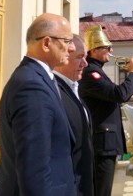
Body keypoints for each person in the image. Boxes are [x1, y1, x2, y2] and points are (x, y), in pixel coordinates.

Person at [0, 13, 77, 196]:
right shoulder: (31, 87)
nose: (71, 48)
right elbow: (34, 171)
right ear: (47, 43)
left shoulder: (38, 78)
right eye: (67, 40)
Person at [79, 25, 133, 196]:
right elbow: (119, 94)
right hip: (102, 145)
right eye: (107, 47)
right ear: (94, 50)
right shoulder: (91, 73)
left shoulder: (96, 71)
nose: (111, 50)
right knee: (101, 190)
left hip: (105, 143)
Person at [55, 35, 95, 196]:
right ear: (63, 56)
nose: (85, 63)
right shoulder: (54, 92)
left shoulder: (72, 87)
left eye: (85, 57)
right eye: (80, 57)